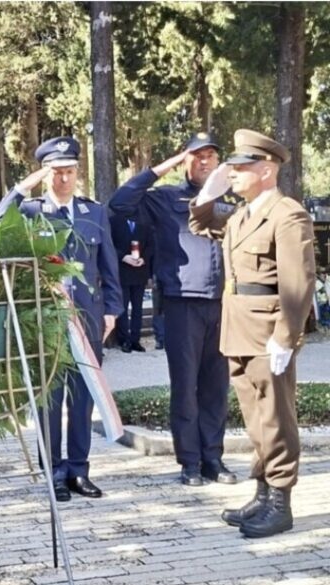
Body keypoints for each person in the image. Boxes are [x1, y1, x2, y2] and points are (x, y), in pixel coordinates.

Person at [189, 129, 316, 538]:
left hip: (267, 330)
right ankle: (262, 493)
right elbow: (201, 220)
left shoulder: (287, 213)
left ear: (266, 170)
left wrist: (286, 335)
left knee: (276, 418)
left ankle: (281, 503)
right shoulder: (243, 214)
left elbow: (299, 282)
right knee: (255, 418)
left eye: (241, 168)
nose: (233, 174)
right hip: (239, 327)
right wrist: (212, 186)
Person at [108, 132, 240, 486]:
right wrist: (160, 168)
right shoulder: (166, 198)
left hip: (224, 303)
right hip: (182, 303)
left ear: (218, 162)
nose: (204, 162)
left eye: (210, 156)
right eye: (196, 156)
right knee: (185, 387)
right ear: (186, 161)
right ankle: (191, 463)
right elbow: (120, 204)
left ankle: (214, 459)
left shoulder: (232, 199)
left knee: (216, 387)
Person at [0, 136, 122, 501]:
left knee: (81, 398)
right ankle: (53, 471)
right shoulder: (32, 211)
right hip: (45, 319)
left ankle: (79, 470)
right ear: (45, 174)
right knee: (48, 398)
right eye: (56, 172)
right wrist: (22, 189)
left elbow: (108, 264)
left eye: (69, 171)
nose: (63, 178)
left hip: (88, 316)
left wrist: (112, 309)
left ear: (77, 173)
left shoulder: (93, 212)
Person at [109, 208, 154, 353]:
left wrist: (144, 259)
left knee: (137, 308)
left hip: (139, 271)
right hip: (122, 271)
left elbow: (151, 245)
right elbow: (109, 245)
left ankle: (135, 339)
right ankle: (124, 340)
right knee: (122, 307)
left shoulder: (145, 221)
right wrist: (123, 256)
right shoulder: (114, 221)